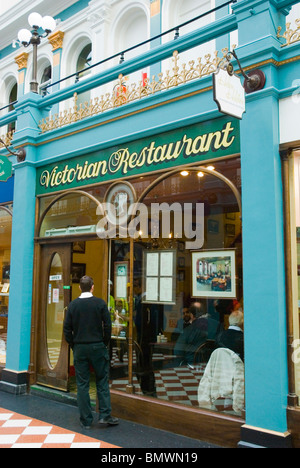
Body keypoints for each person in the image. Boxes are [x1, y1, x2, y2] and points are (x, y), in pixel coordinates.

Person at [63, 275, 119, 429]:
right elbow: (108, 326)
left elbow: (67, 329)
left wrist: (74, 345)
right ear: (92, 286)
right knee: (102, 380)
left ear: (80, 287)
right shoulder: (100, 303)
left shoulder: (73, 305)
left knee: (82, 384)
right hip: (97, 346)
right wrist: (104, 342)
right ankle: (105, 415)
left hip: (80, 347)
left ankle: (86, 420)